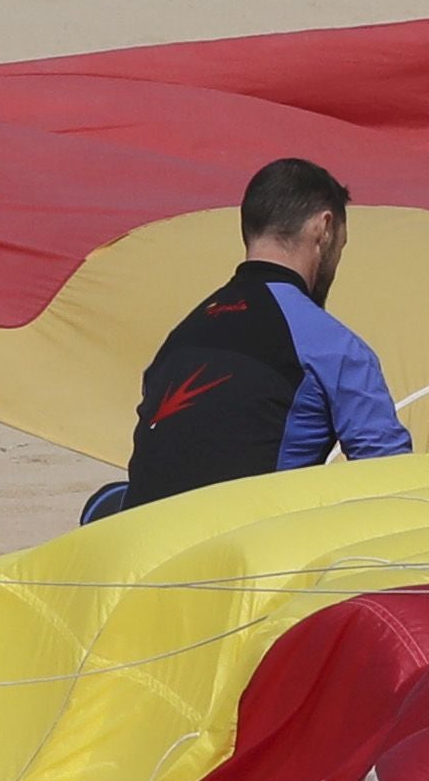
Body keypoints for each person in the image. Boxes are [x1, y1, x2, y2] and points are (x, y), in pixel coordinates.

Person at [105, 159, 409, 520]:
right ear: (324, 229)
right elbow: (391, 481)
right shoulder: (334, 347)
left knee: (110, 498)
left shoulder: (179, 340)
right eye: (341, 246)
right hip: (238, 560)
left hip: (140, 552)